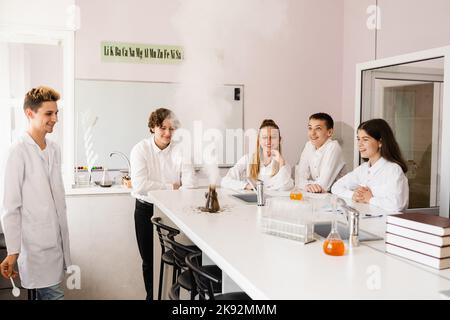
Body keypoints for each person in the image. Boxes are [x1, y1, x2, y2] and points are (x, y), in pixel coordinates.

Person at [0, 86, 71, 300]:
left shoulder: (54, 149)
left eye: (56, 113)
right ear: (30, 113)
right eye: (48, 113)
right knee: (53, 295)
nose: (55, 119)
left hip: (55, 241)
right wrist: (13, 252)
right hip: (35, 245)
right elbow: (11, 207)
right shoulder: (18, 151)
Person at [130, 107, 195, 300]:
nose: (167, 133)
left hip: (175, 211)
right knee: (149, 261)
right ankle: (152, 297)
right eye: (162, 128)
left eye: (172, 128)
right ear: (152, 127)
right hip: (146, 210)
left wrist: (176, 189)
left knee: (174, 259)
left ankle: (169, 298)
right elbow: (141, 186)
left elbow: (190, 185)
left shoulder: (182, 150)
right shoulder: (140, 149)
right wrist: (171, 187)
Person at [331, 118, 409, 212]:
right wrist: (353, 195)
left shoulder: (393, 169)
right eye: (358, 139)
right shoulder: (363, 169)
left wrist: (370, 199)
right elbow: (336, 187)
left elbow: (397, 205)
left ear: (380, 142)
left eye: (365, 139)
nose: (360, 144)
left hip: (387, 224)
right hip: (367, 222)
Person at [221, 119, 294, 191]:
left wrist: (281, 162)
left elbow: (286, 187)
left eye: (273, 137)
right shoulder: (247, 159)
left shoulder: (284, 165)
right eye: (265, 137)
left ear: (279, 140)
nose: (268, 141)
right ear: (259, 140)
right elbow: (225, 181)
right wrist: (247, 186)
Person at [295, 113, 345, 193]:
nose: (312, 133)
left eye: (318, 129)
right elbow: (299, 179)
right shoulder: (308, 145)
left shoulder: (333, 147)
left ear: (330, 132)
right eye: (310, 128)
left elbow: (323, 185)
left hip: (337, 197)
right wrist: (308, 186)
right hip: (319, 195)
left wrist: (306, 185)